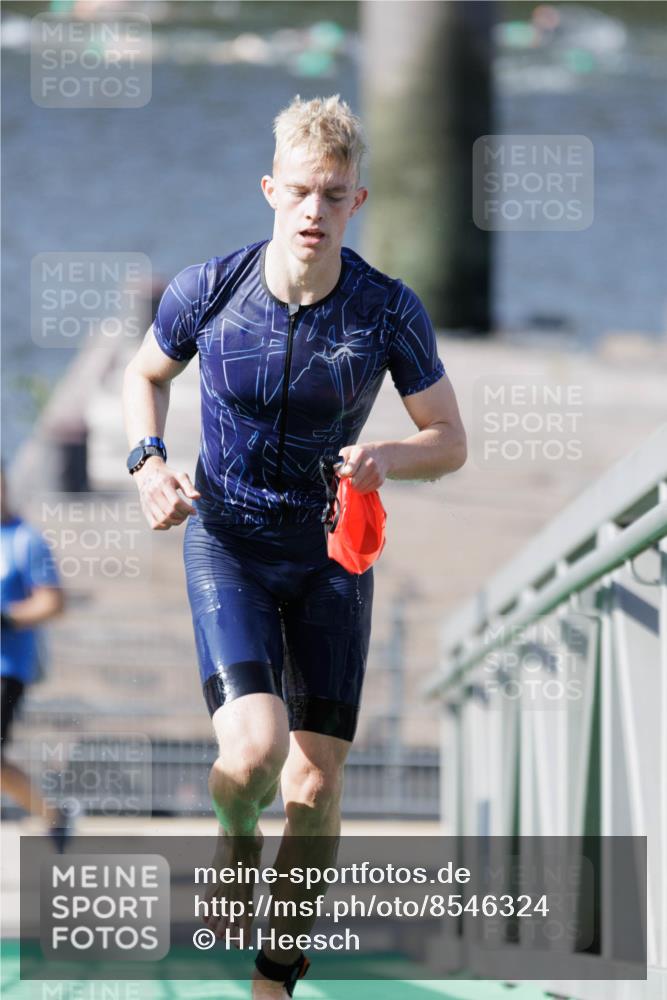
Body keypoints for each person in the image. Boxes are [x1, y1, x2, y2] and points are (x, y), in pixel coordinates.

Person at [122, 95, 467, 998]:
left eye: (335, 194)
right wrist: (149, 464)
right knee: (251, 757)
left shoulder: (386, 311)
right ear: (271, 190)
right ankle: (234, 833)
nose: (315, 210)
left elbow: (449, 438)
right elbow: (143, 374)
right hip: (228, 542)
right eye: (301, 192)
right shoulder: (211, 289)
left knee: (314, 787)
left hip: (331, 561)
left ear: (359, 202)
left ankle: (275, 974)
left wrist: (390, 455)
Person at [0, 464, 69, 849]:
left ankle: (51, 814)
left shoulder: (25, 540)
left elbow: (52, 601)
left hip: (7, 666)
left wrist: (7, 616)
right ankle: (52, 814)